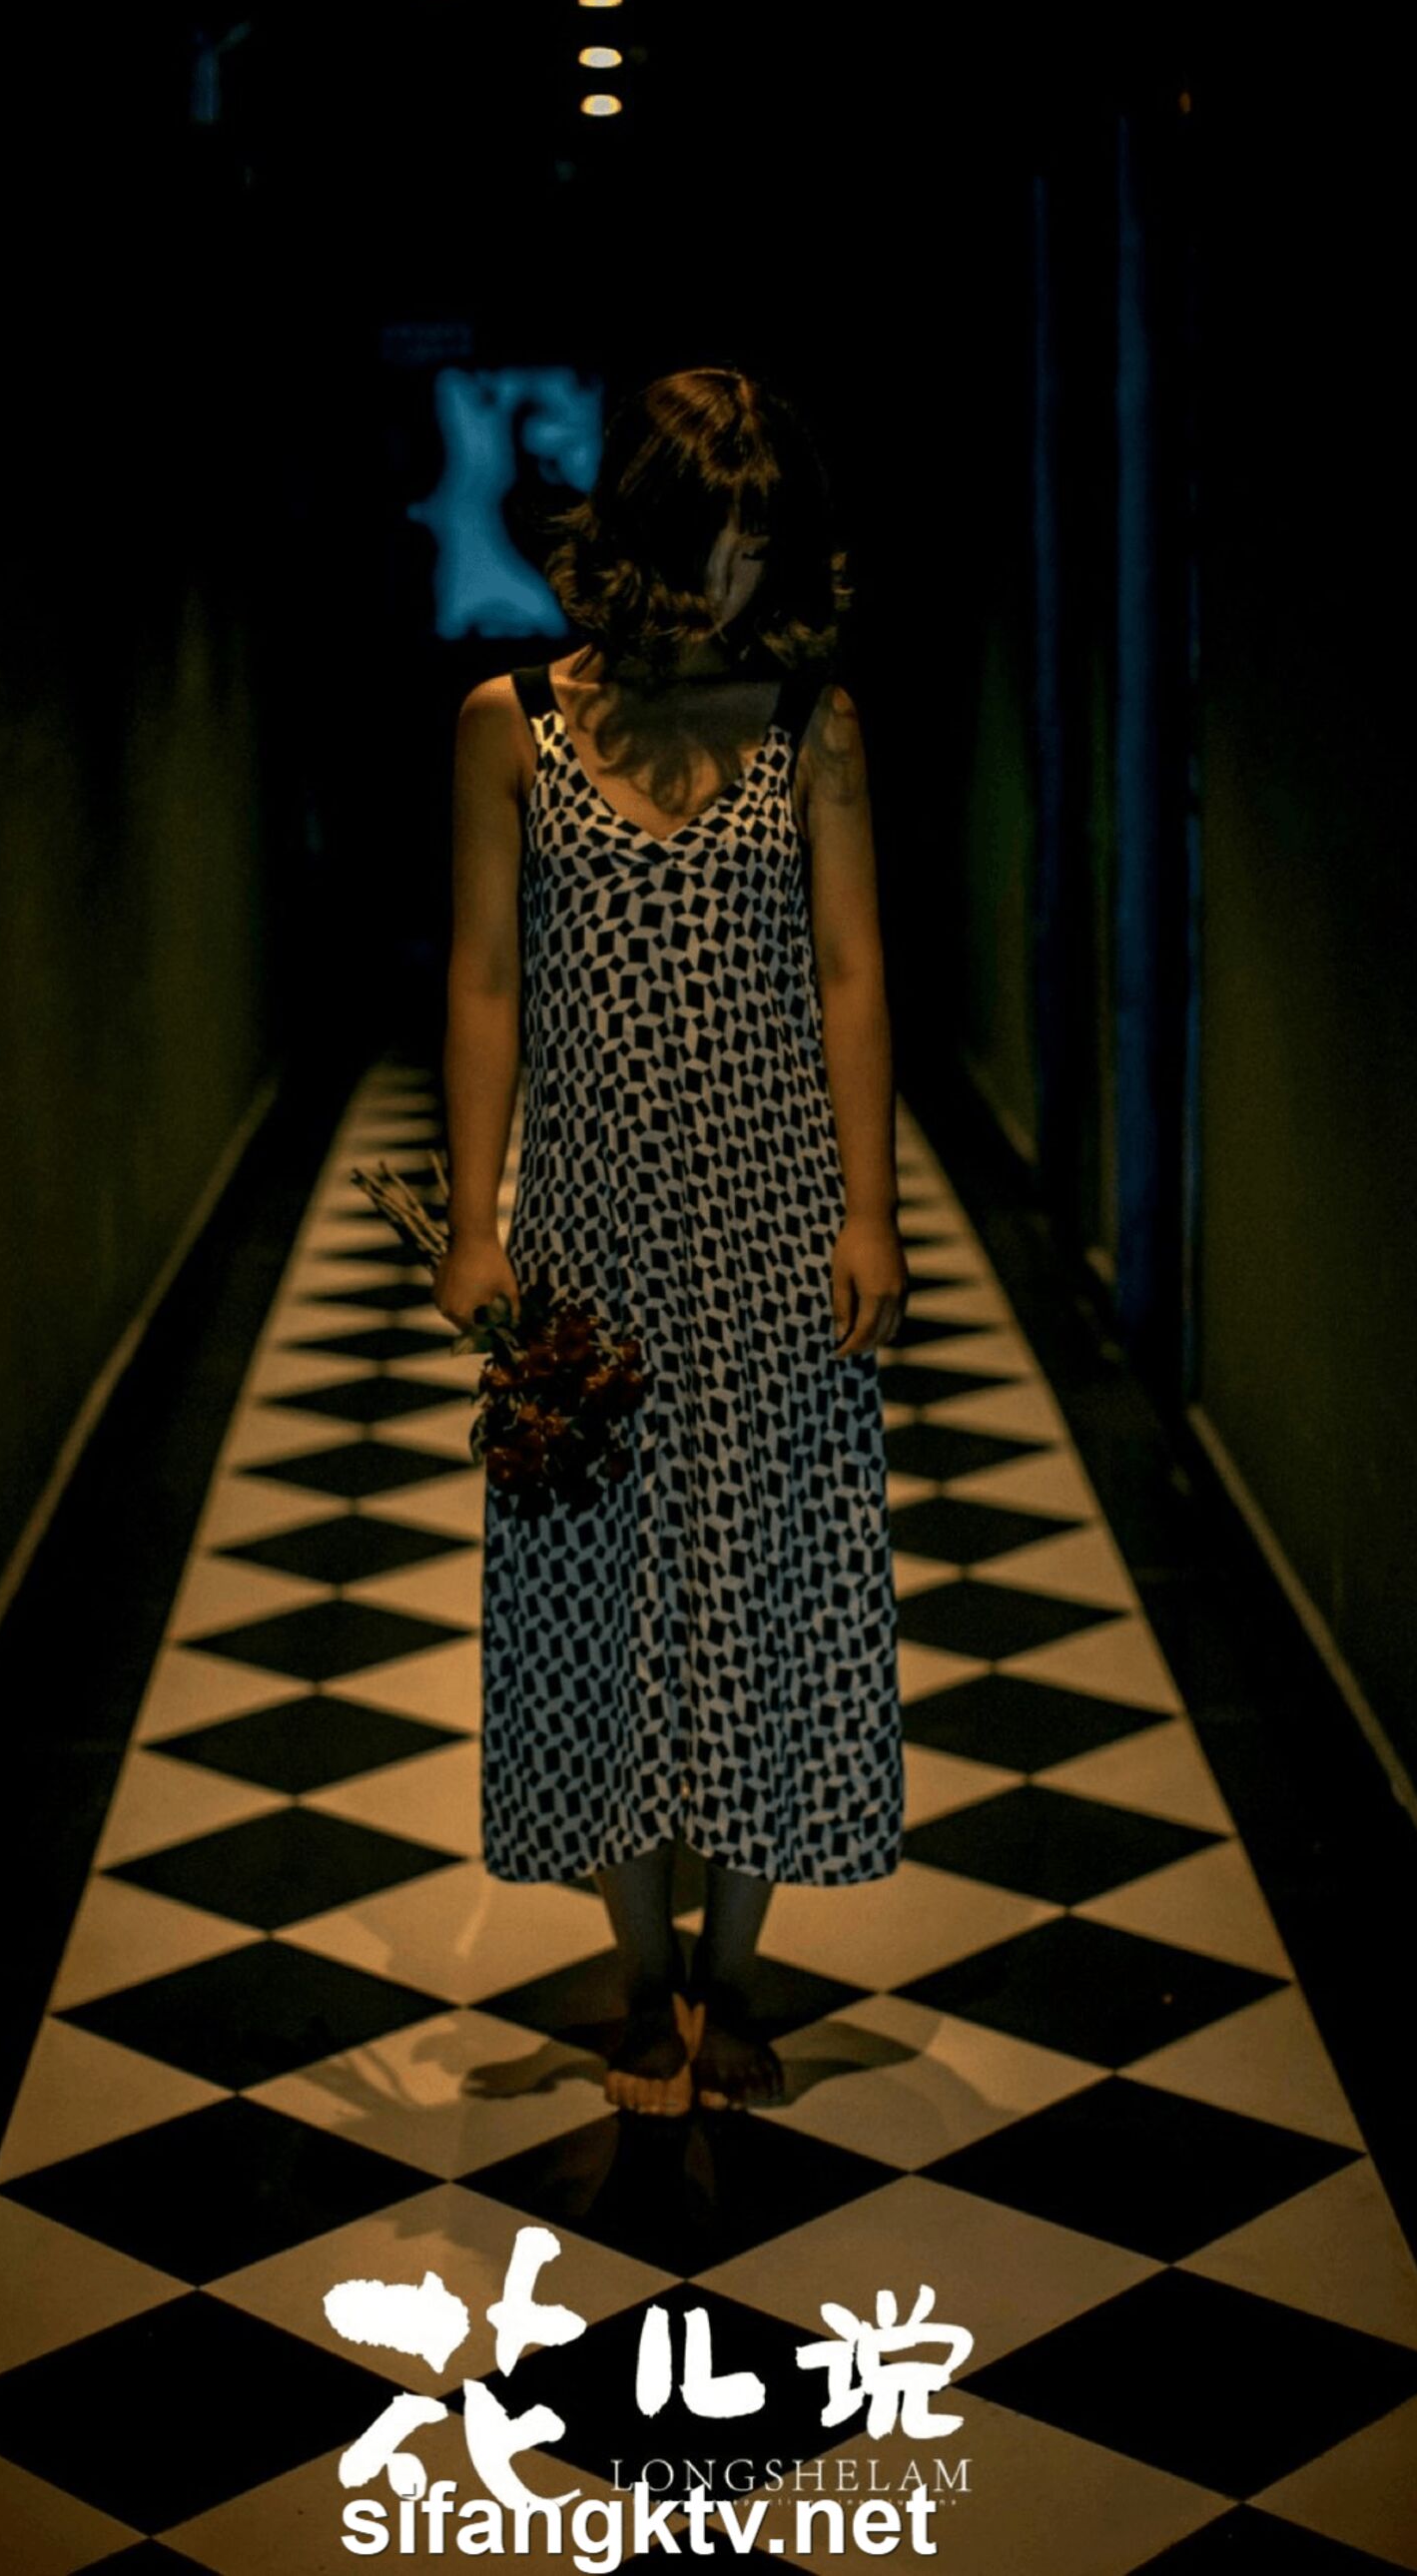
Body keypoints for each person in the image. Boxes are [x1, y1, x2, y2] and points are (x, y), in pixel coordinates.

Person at [434, 364, 907, 2117]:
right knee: (597, 1586)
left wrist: (870, 1206)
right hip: (593, 1232)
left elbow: (851, 971)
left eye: (756, 546)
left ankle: (736, 1974)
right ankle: (643, 1981)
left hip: (771, 1221)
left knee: (765, 1579)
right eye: (706, 542)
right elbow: (485, 981)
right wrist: (474, 1219)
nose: (728, 581)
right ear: (638, 532)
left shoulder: (808, 721)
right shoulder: (512, 724)